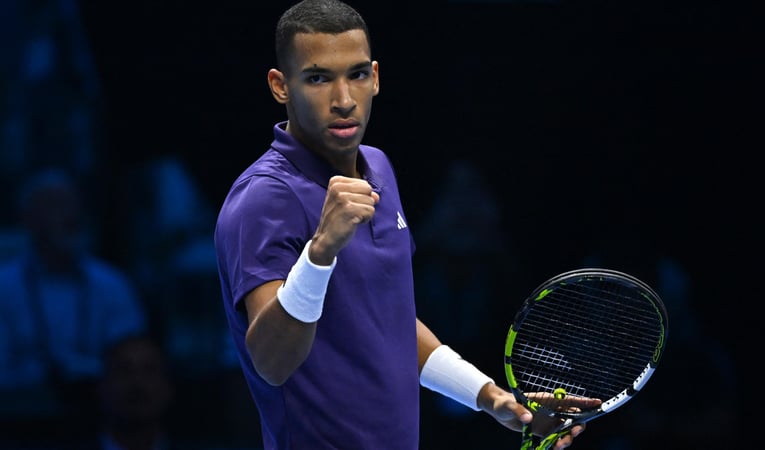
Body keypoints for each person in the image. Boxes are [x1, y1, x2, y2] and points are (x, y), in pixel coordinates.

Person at [213, 1, 600, 449]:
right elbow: (271, 363)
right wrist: (320, 253)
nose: (343, 100)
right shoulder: (263, 198)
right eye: (318, 78)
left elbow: (388, 319)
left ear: (375, 77)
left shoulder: (377, 166)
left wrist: (491, 398)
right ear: (281, 86)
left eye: (357, 74)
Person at [0, 167, 148, 446]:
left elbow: (135, 361)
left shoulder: (112, 284)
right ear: (28, 219)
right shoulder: (5, 289)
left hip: (104, 424)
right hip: (20, 427)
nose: (71, 215)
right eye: (56, 206)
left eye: (73, 205)